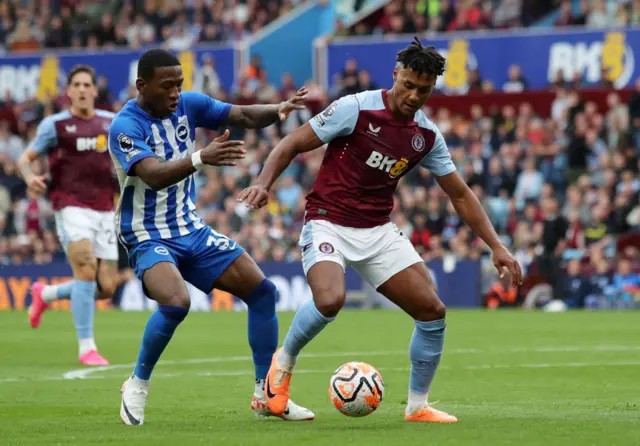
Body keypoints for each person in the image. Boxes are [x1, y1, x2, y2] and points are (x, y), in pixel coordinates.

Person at [239, 37, 522, 423]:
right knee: (329, 300)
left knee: (432, 310)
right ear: (396, 75)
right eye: (408, 85)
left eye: (423, 90)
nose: (413, 95)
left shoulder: (426, 136)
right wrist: (263, 183)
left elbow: (459, 194)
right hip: (327, 221)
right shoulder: (355, 108)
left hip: (376, 229)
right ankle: (279, 373)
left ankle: (418, 406)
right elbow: (291, 143)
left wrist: (497, 246)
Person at [108, 49, 313, 425]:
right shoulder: (125, 126)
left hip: (190, 228)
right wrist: (202, 157)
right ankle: (136, 384)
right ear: (142, 85)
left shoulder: (189, 105)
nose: (174, 93)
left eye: (179, 85)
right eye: (166, 86)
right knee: (175, 302)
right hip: (145, 232)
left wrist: (278, 108)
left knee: (263, 292)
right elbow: (153, 174)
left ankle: (265, 394)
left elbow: (241, 114)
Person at [18, 65, 127, 366]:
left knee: (106, 286)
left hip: (105, 208)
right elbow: (25, 159)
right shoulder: (54, 125)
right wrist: (29, 177)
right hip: (70, 205)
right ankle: (87, 348)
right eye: (75, 84)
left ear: (94, 90)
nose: (81, 89)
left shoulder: (111, 122)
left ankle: (47, 294)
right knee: (85, 267)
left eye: (86, 85)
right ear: (68, 91)